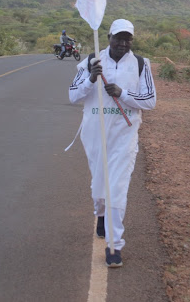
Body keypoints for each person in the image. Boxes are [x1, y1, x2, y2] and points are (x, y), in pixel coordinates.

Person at [68, 19, 157, 268]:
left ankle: (114, 245)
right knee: (99, 183)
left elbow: (150, 101)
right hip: (95, 134)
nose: (123, 43)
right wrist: (90, 80)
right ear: (108, 37)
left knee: (116, 187)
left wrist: (123, 94)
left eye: (128, 38)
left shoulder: (140, 64)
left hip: (124, 135)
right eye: (118, 37)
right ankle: (101, 213)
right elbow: (73, 95)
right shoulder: (92, 62)